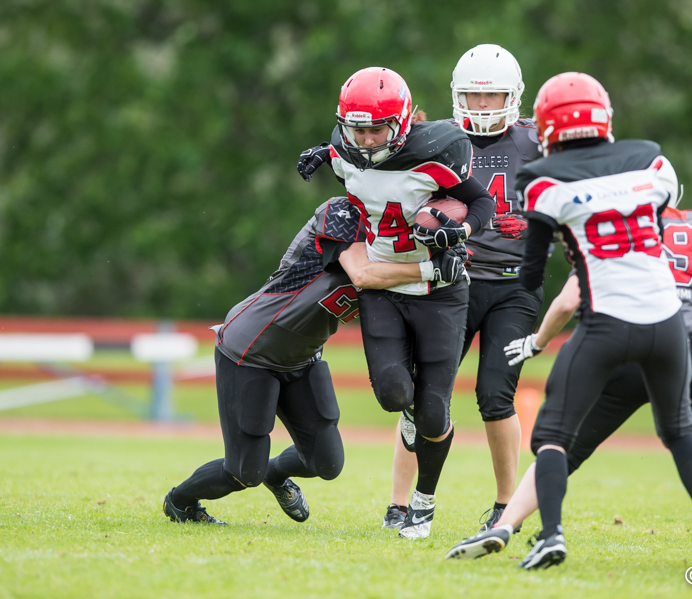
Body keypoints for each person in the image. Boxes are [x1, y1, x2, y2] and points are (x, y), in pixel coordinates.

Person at [442, 71, 692, 572]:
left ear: (546, 124)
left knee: (553, 436)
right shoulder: (653, 161)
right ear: (603, 115)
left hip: (605, 321)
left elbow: (532, 273)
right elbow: (660, 214)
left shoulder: (543, 181)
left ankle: (551, 535)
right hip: (668, 321)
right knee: (682, 433)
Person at [446, 205, 692, 564]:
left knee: (561, 444)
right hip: (689, 348)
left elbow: (567, 301)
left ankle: (512, 525)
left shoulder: (613, 229)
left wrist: (537, 342)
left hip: (622, 346)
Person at [162, 196, 467, 526]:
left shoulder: (407, 251)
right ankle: (180, 501)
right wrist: (430, 270)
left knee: (326, 463)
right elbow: (363, 274)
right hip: (251, 349)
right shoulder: (345, 213)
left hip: (303, 358)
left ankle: (275, 475)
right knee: (243, 472)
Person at [297, 66, 496, 539]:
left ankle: (423, 503)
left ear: (403, 122)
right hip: (383, 288)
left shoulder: (436, 152)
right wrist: (326, 152)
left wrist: (460, 230)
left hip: (440, 291)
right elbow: (355, 159)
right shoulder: (344, 149)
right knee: (393, 395)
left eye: (375, 129)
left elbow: (482, 203)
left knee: (433, 412)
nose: (364, 140)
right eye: (356, 129)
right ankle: (410, 421)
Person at [380, 45, 544, 534]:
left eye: (492, 95)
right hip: (453, 281)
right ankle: (399, 503)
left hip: (515, 286)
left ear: (513, 96)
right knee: (422, 393)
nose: (483, 105)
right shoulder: (442, 140)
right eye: (474, 95)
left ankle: (504, 505)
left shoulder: (539, 142)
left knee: (496, 393)